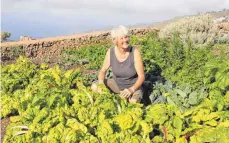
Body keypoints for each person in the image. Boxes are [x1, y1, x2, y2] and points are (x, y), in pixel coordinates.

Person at [91, 25, 145, 103]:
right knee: (95, 86)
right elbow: (103, 70)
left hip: (133, 86)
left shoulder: (135, 52)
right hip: (116, 84)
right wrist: (101, 83)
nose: (125, 40)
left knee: (133, 102)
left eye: (126, 37)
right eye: (122, 38)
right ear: (115, 41)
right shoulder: (111, 52)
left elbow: (142, 76)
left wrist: (131, 90)